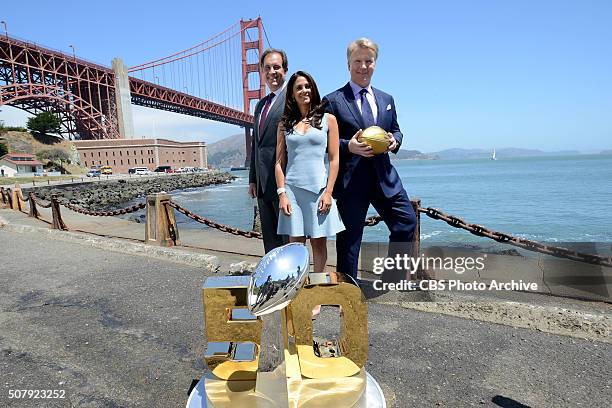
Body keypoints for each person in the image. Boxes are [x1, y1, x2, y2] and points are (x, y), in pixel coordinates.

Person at [323, 38, 417, 282]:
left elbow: (396, 130)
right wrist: (349, 146)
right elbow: (322, 141)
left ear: (375, 64)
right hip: (351, 180)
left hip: (385, 177)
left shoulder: (387, 99)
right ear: (348, 64)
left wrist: (395, 141)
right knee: (350, 239)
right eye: (358, 61)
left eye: (368, 61)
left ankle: (393, 279)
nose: (363, 66)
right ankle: (346, 291)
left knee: (406, 222)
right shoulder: (333, 100)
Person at [275, 71, 345, 274]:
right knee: (295, 245)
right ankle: (296, 289)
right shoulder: (284, 124)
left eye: (307, 86)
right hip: (292, 192)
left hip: (319, 190)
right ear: (292, 94)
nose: (304, 90)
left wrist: (329, 192)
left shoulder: (329, 120)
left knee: (319, 243)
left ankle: (316, 293)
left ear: (313, 89)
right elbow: (279, 162)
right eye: (299, 87)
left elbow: (334, 159)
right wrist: (282, 194)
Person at [249, 48, 290, 253]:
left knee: (287, 239)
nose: (272, 72)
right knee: (270, 241)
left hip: (284, 181)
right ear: (262, 73)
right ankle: (273, 280)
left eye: (277, 67)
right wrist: (252, 178)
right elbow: (256, 143)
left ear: (285, 70)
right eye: (267, 68)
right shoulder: (260, 105)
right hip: (263, 185)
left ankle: (292, 281)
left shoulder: (292, 100)